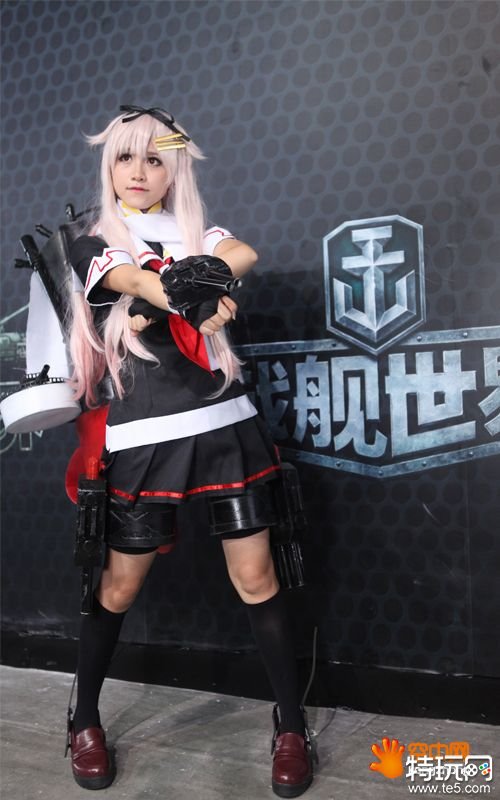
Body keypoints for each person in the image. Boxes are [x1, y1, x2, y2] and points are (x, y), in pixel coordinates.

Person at [66, 105, 314, 797]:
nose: (139, 171)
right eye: (125, 156)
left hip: (225, 422)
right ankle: (83, 719)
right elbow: (136, 282)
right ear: (109, 165)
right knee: (119, 585)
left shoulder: (196, 230)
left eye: (155, 158)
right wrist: (191, 294)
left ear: (174, 168)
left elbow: (242, 255)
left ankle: (291, 724)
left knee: (257, 578)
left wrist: (208, 278)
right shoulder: (92, 241)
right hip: (145, 435)